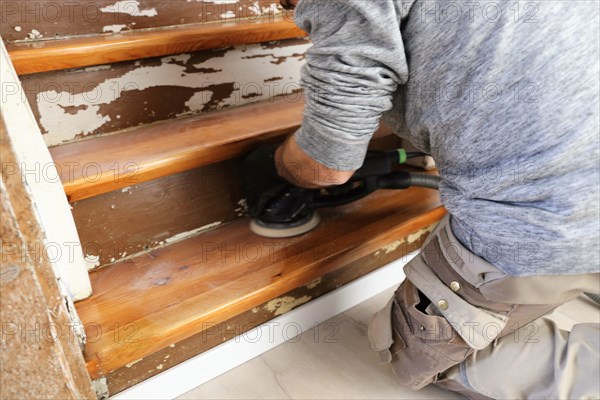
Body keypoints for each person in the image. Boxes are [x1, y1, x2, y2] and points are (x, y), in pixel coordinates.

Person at [273, 0, 600, 398]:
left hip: (553, 222)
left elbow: (324, 168)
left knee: (407, 345)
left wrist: (282, 162)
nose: (286, 10)